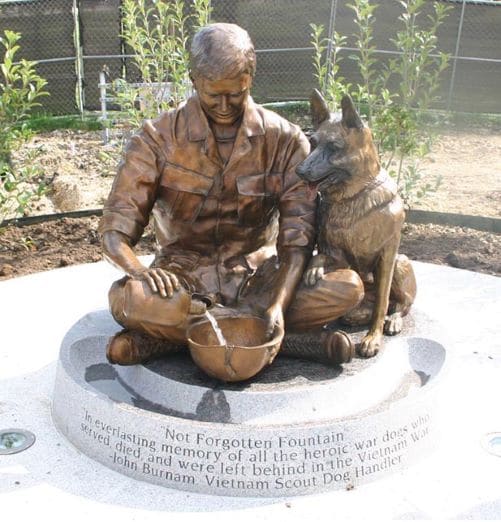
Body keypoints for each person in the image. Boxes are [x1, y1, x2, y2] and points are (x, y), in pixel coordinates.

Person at [100, 23, 363, 366]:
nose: (225, 106)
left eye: (235, 94)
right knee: (131, 299)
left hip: (259, 279)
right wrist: (139, 271)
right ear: (194, 79)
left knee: (347, 288)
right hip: (182, 285)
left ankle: (178, 340)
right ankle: (283, 339)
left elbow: (297, 241)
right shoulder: (157, 139)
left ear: (250, 79)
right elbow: (114, 232)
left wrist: (278, 305)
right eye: (213, 95)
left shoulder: (285, 140)